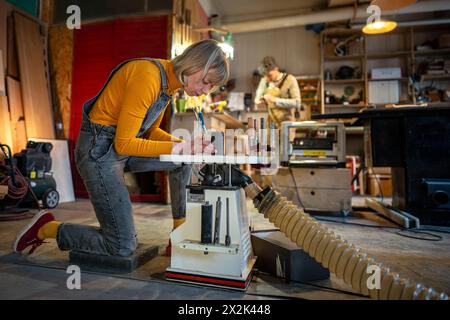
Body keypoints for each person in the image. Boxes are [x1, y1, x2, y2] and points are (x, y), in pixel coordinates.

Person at [13, 39, 230, 257]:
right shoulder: (149, 77)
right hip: (98, 153)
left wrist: (186, 147)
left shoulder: (169, 86)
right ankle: (46, 228)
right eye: (207, 82)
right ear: (195, 66)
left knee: (183, 160)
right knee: (121, 246)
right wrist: (184, 148)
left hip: (120, 149)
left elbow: (148, 132)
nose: (206, 91)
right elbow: (124, 143)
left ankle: (178, 234)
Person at [254, 56, 301, 127]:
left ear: (276, 69)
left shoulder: (290, 80)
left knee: (285, 137)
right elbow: (257, 98)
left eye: (269, 75)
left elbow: (297, 103)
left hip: (287, 123)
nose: (268, 79)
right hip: (271, 122)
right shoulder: (265, 81)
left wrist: (275, 100)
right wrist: (259, 102)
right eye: (265, 76)